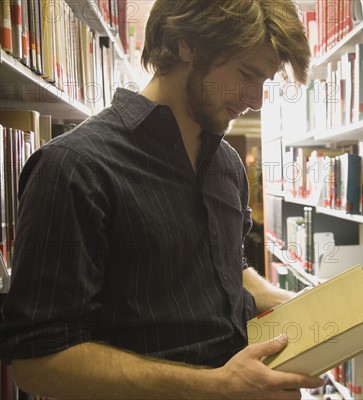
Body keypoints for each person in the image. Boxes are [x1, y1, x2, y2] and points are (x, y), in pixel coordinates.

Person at [0, 0, 324, 398]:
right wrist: (216, 386)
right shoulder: (74, 168)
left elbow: (225, 272)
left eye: (265, 82)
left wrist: (310, 307)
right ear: (188, 45)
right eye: (246, 74)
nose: (256, 100)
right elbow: (38, 361)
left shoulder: (227, 166)